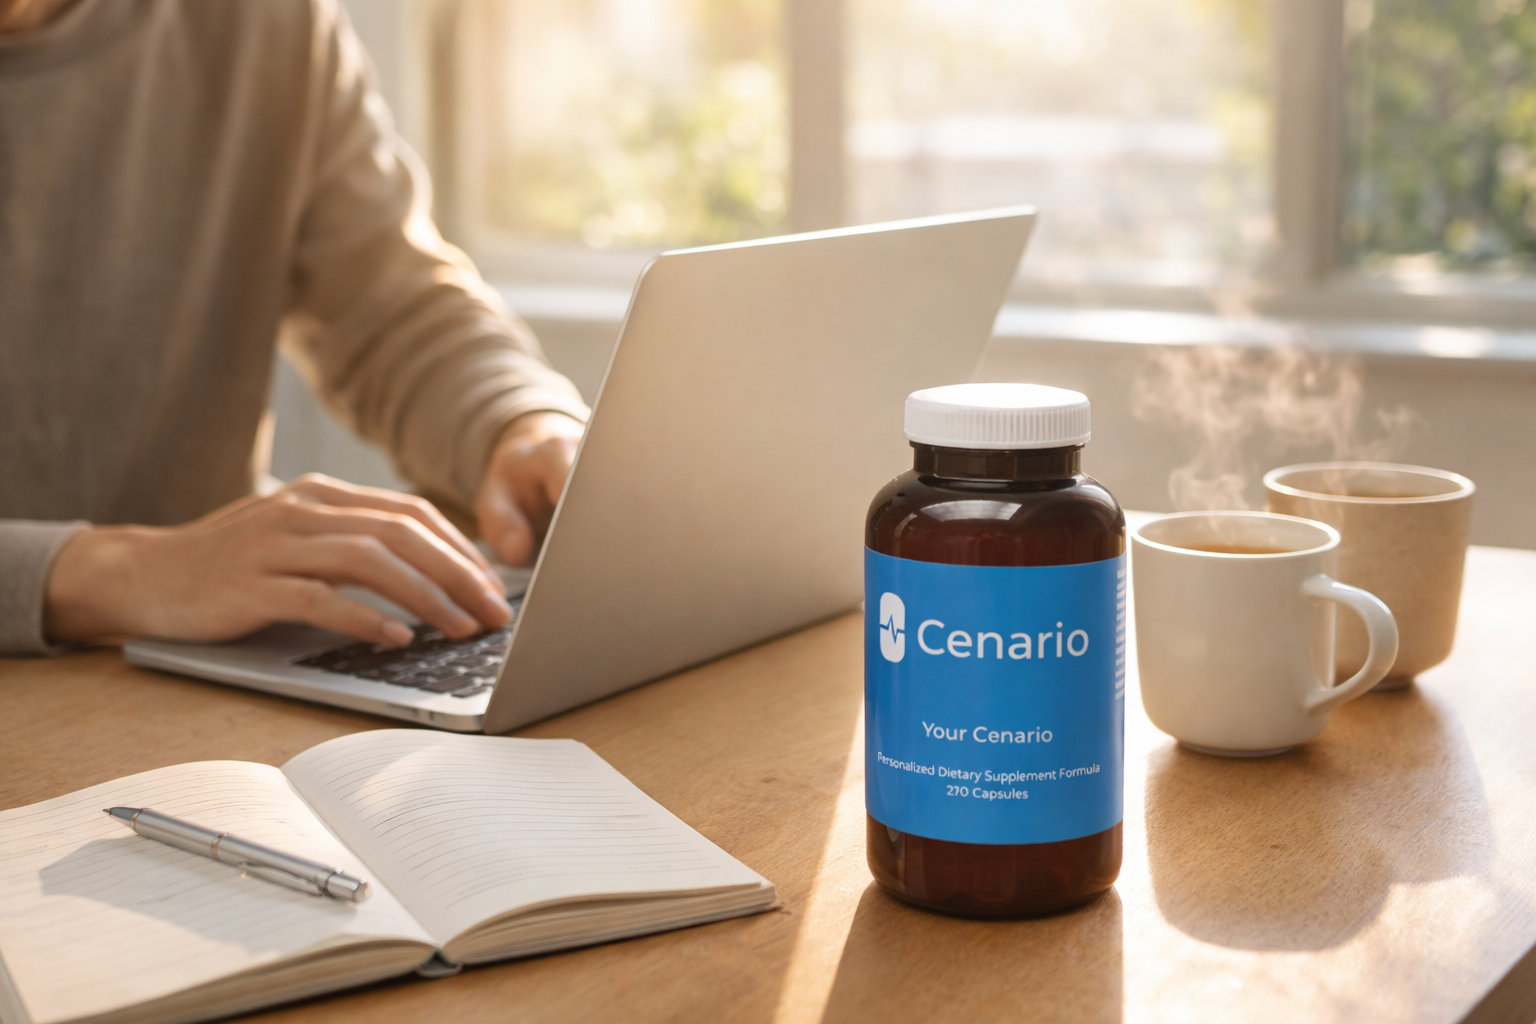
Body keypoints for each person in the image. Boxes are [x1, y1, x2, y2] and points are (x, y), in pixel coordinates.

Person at [0, 0, 591, 655]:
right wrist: (111, 573)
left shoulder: (268, 21)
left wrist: (518, 423)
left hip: (218, 662)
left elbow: (391, 305)